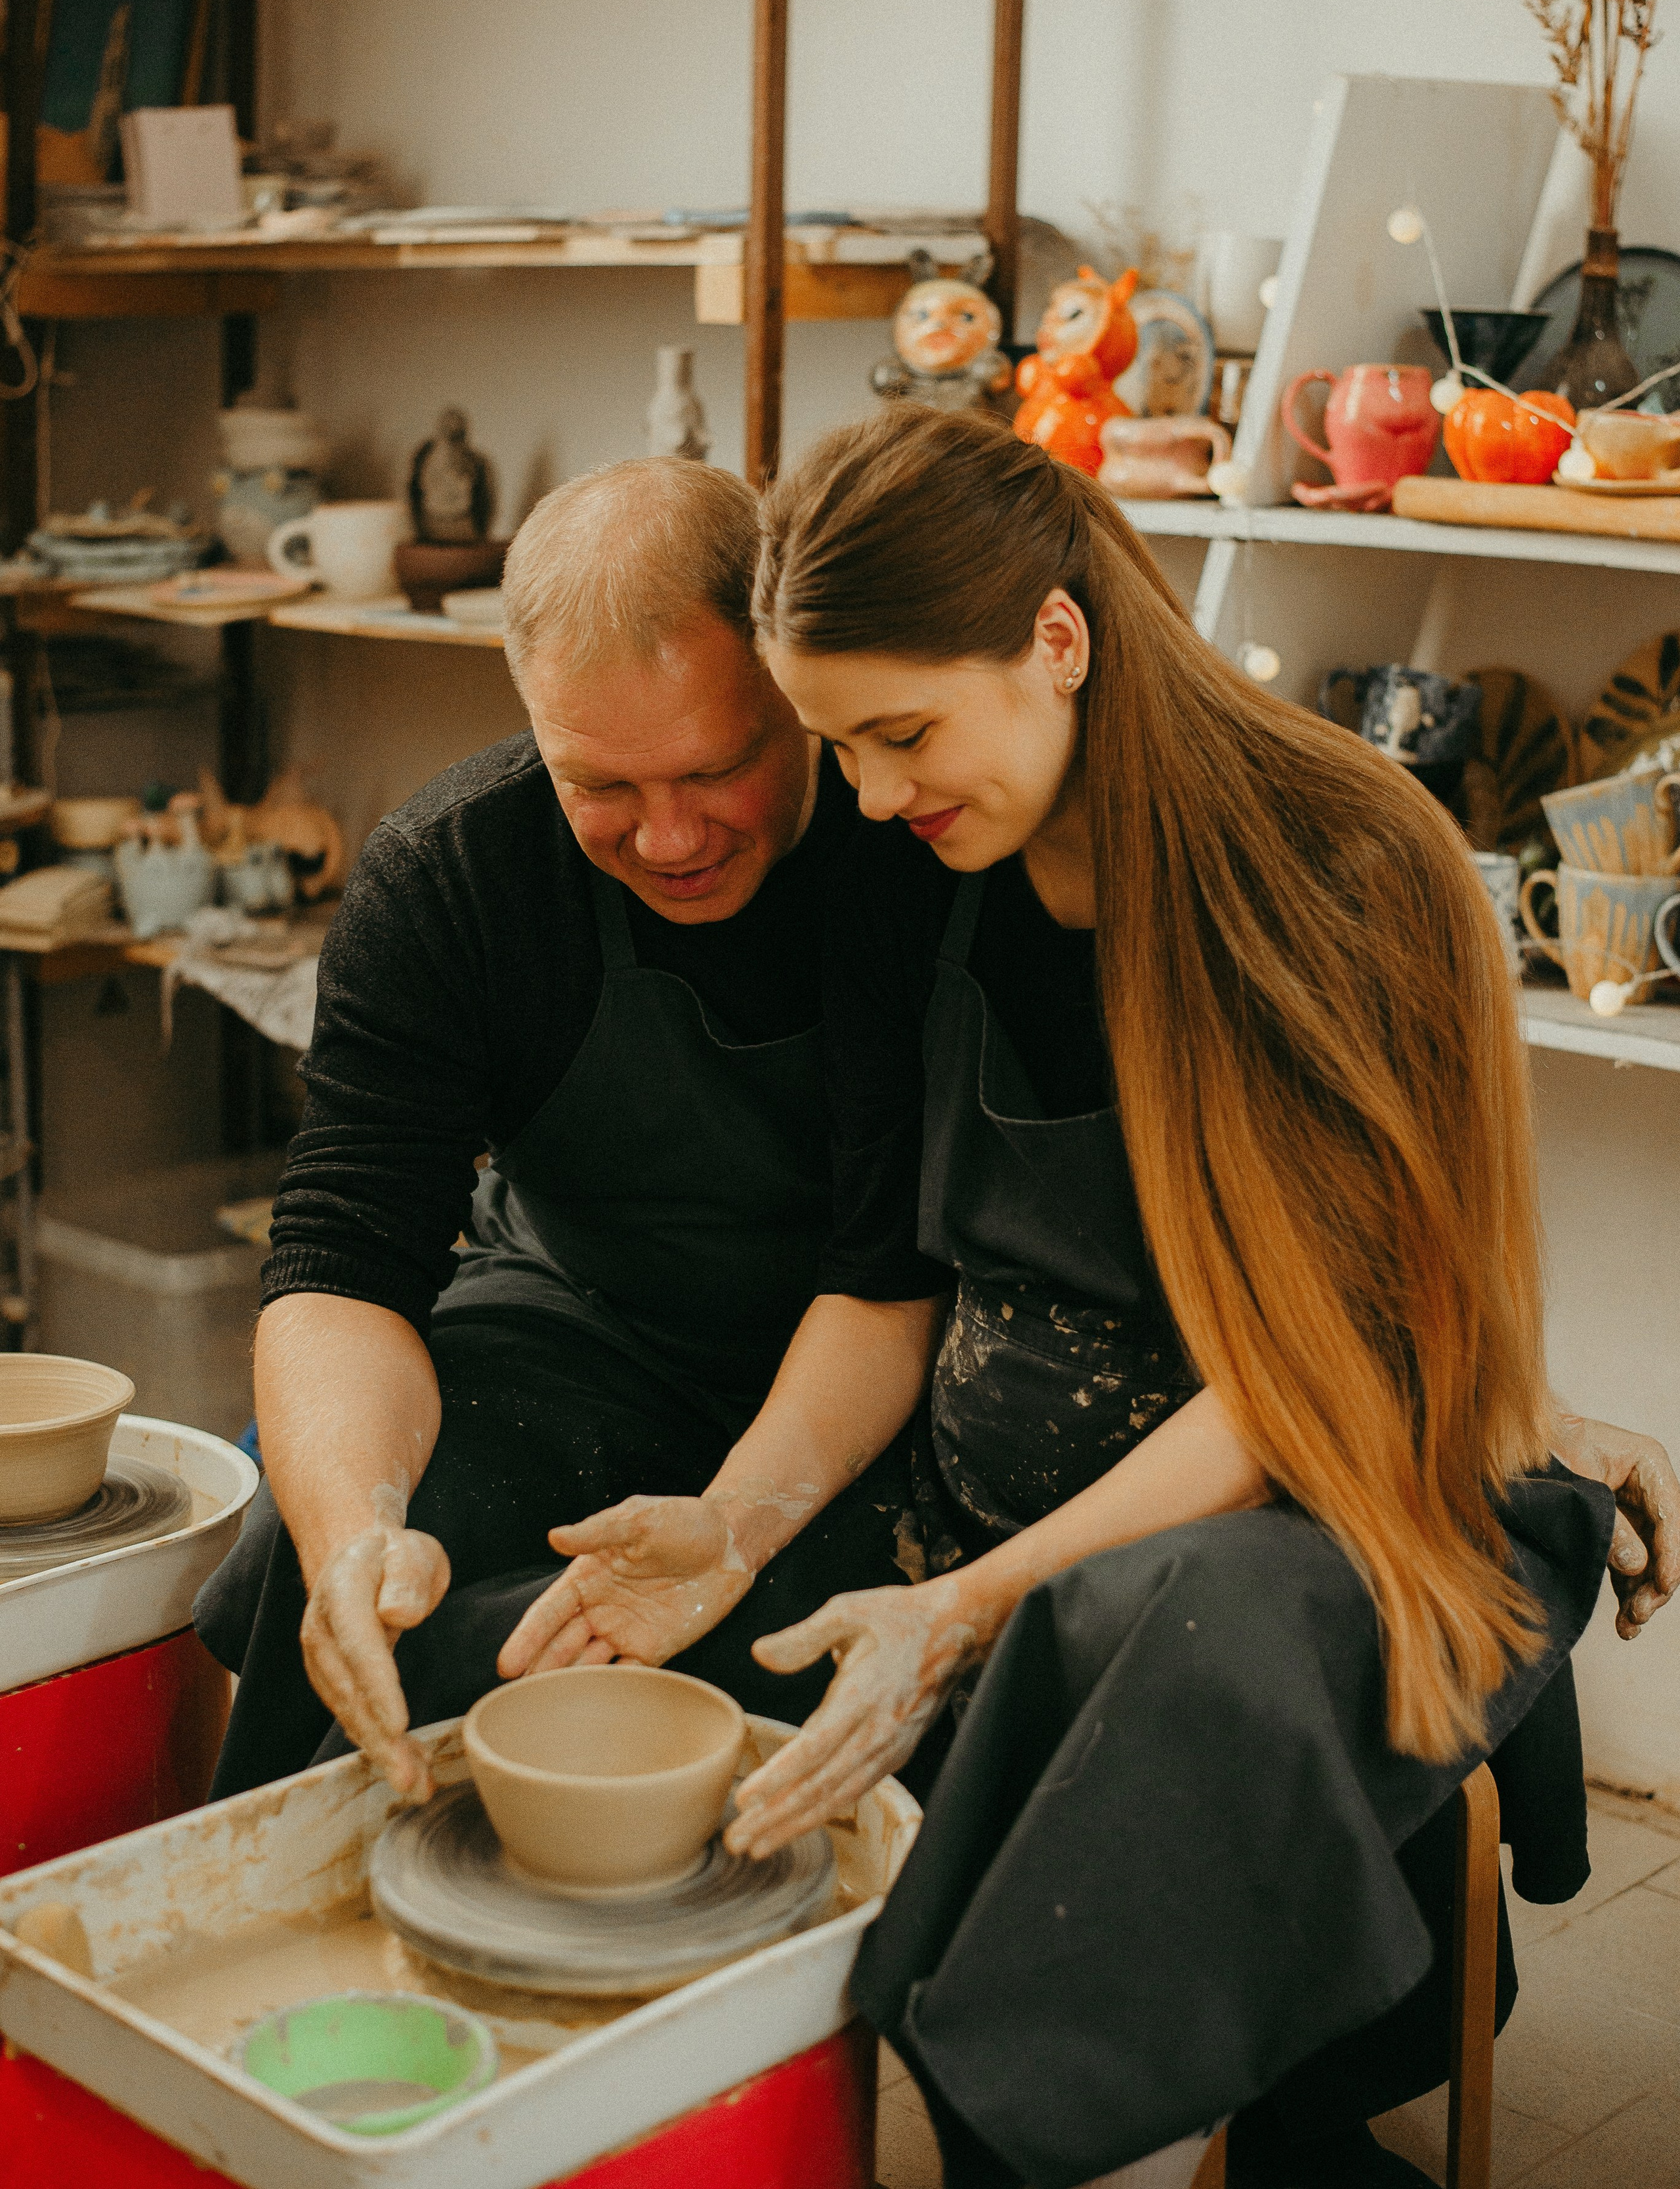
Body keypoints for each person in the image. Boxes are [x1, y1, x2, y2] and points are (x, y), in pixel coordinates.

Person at [499, 407, 1680, 2189]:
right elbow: (890, 1280)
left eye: (902, 734)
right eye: (845, 748)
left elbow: (1306, 1378)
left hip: (1324, 1489)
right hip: (1001, 1506)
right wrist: (741, 1521)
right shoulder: (921, 874)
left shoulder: (1347, 869)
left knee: (1155, 1637)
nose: (876, 798)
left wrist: (968, 1605)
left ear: (1058, 638)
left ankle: (1146, 2118)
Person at [196, 456, 920, 1803]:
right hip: (587, 1319)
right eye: (600, 785)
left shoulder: (912, 847)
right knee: (347, 1574)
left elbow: (895, 1271)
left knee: (783, 1657)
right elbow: (344, 1253)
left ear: (790, 681)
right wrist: (360, 1520)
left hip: (879, 1368)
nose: (667, 837)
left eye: (714, 769)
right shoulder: (454, 874)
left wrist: (736, 1525)